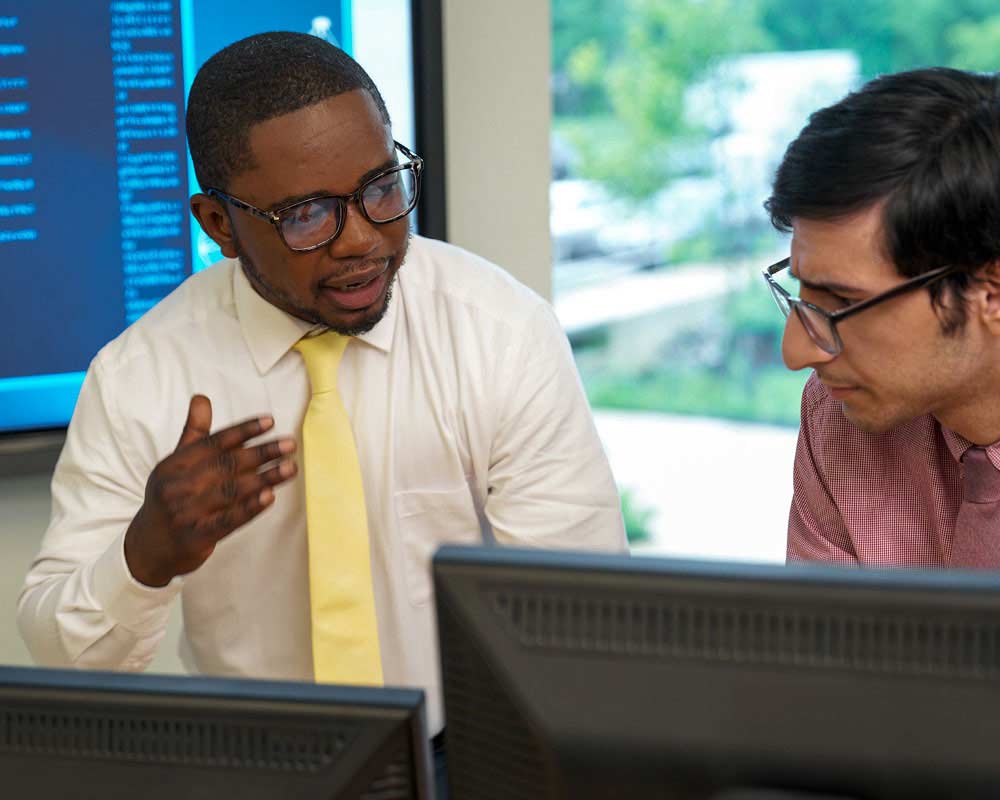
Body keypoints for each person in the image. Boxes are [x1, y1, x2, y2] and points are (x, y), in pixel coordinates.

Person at [18, 28, 625, 761]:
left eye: (381, 189)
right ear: (221, 226)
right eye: (307, 214)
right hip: (246, 762)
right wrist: (146, 554)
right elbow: (66, 658)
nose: (362, 239)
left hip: (471, 747)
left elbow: (580, 620)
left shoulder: (500, 332)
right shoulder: (138, 378)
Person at [762, 66, 1000, 568]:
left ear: (991, 293)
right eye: (802, 295)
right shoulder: (840, 416)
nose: (796, 352)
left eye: (843, 304)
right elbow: (817, 643)